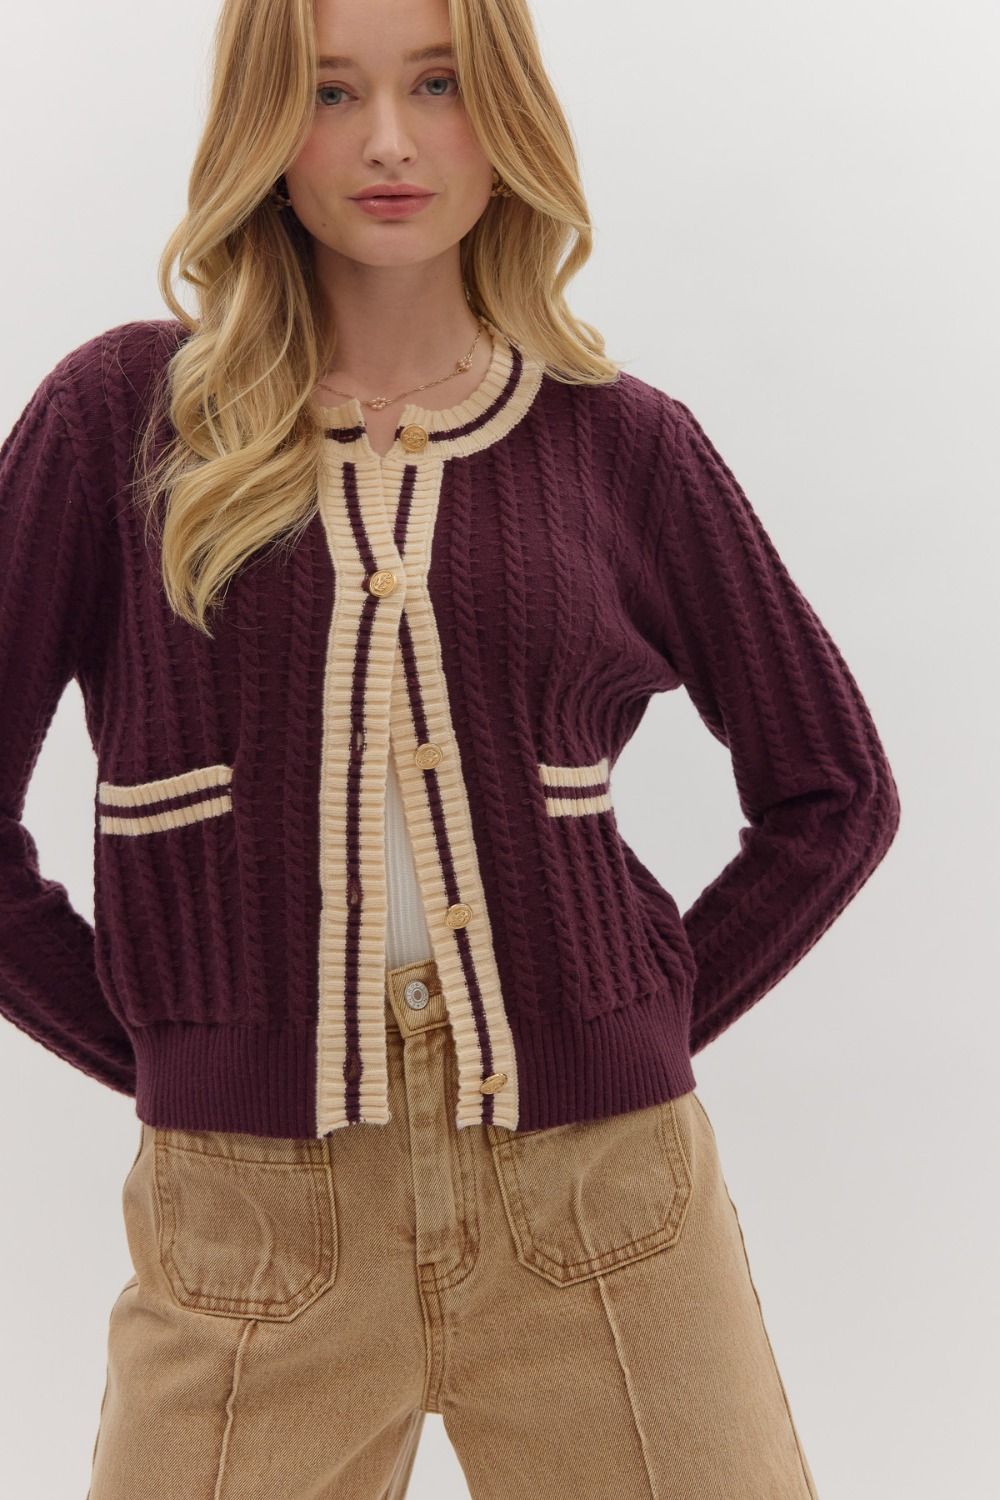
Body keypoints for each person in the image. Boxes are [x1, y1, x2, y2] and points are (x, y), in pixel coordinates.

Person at [0, 0, 900, 1495]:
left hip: (605, 1209)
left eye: (438, 85)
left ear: (509, 119)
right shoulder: (125, 420)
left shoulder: (621, 443)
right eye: (328, 94)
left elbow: (835, 791)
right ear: (260, 131)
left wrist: (637, 1026)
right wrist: (166, 1046)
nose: (390, 142)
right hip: (255, 1232)